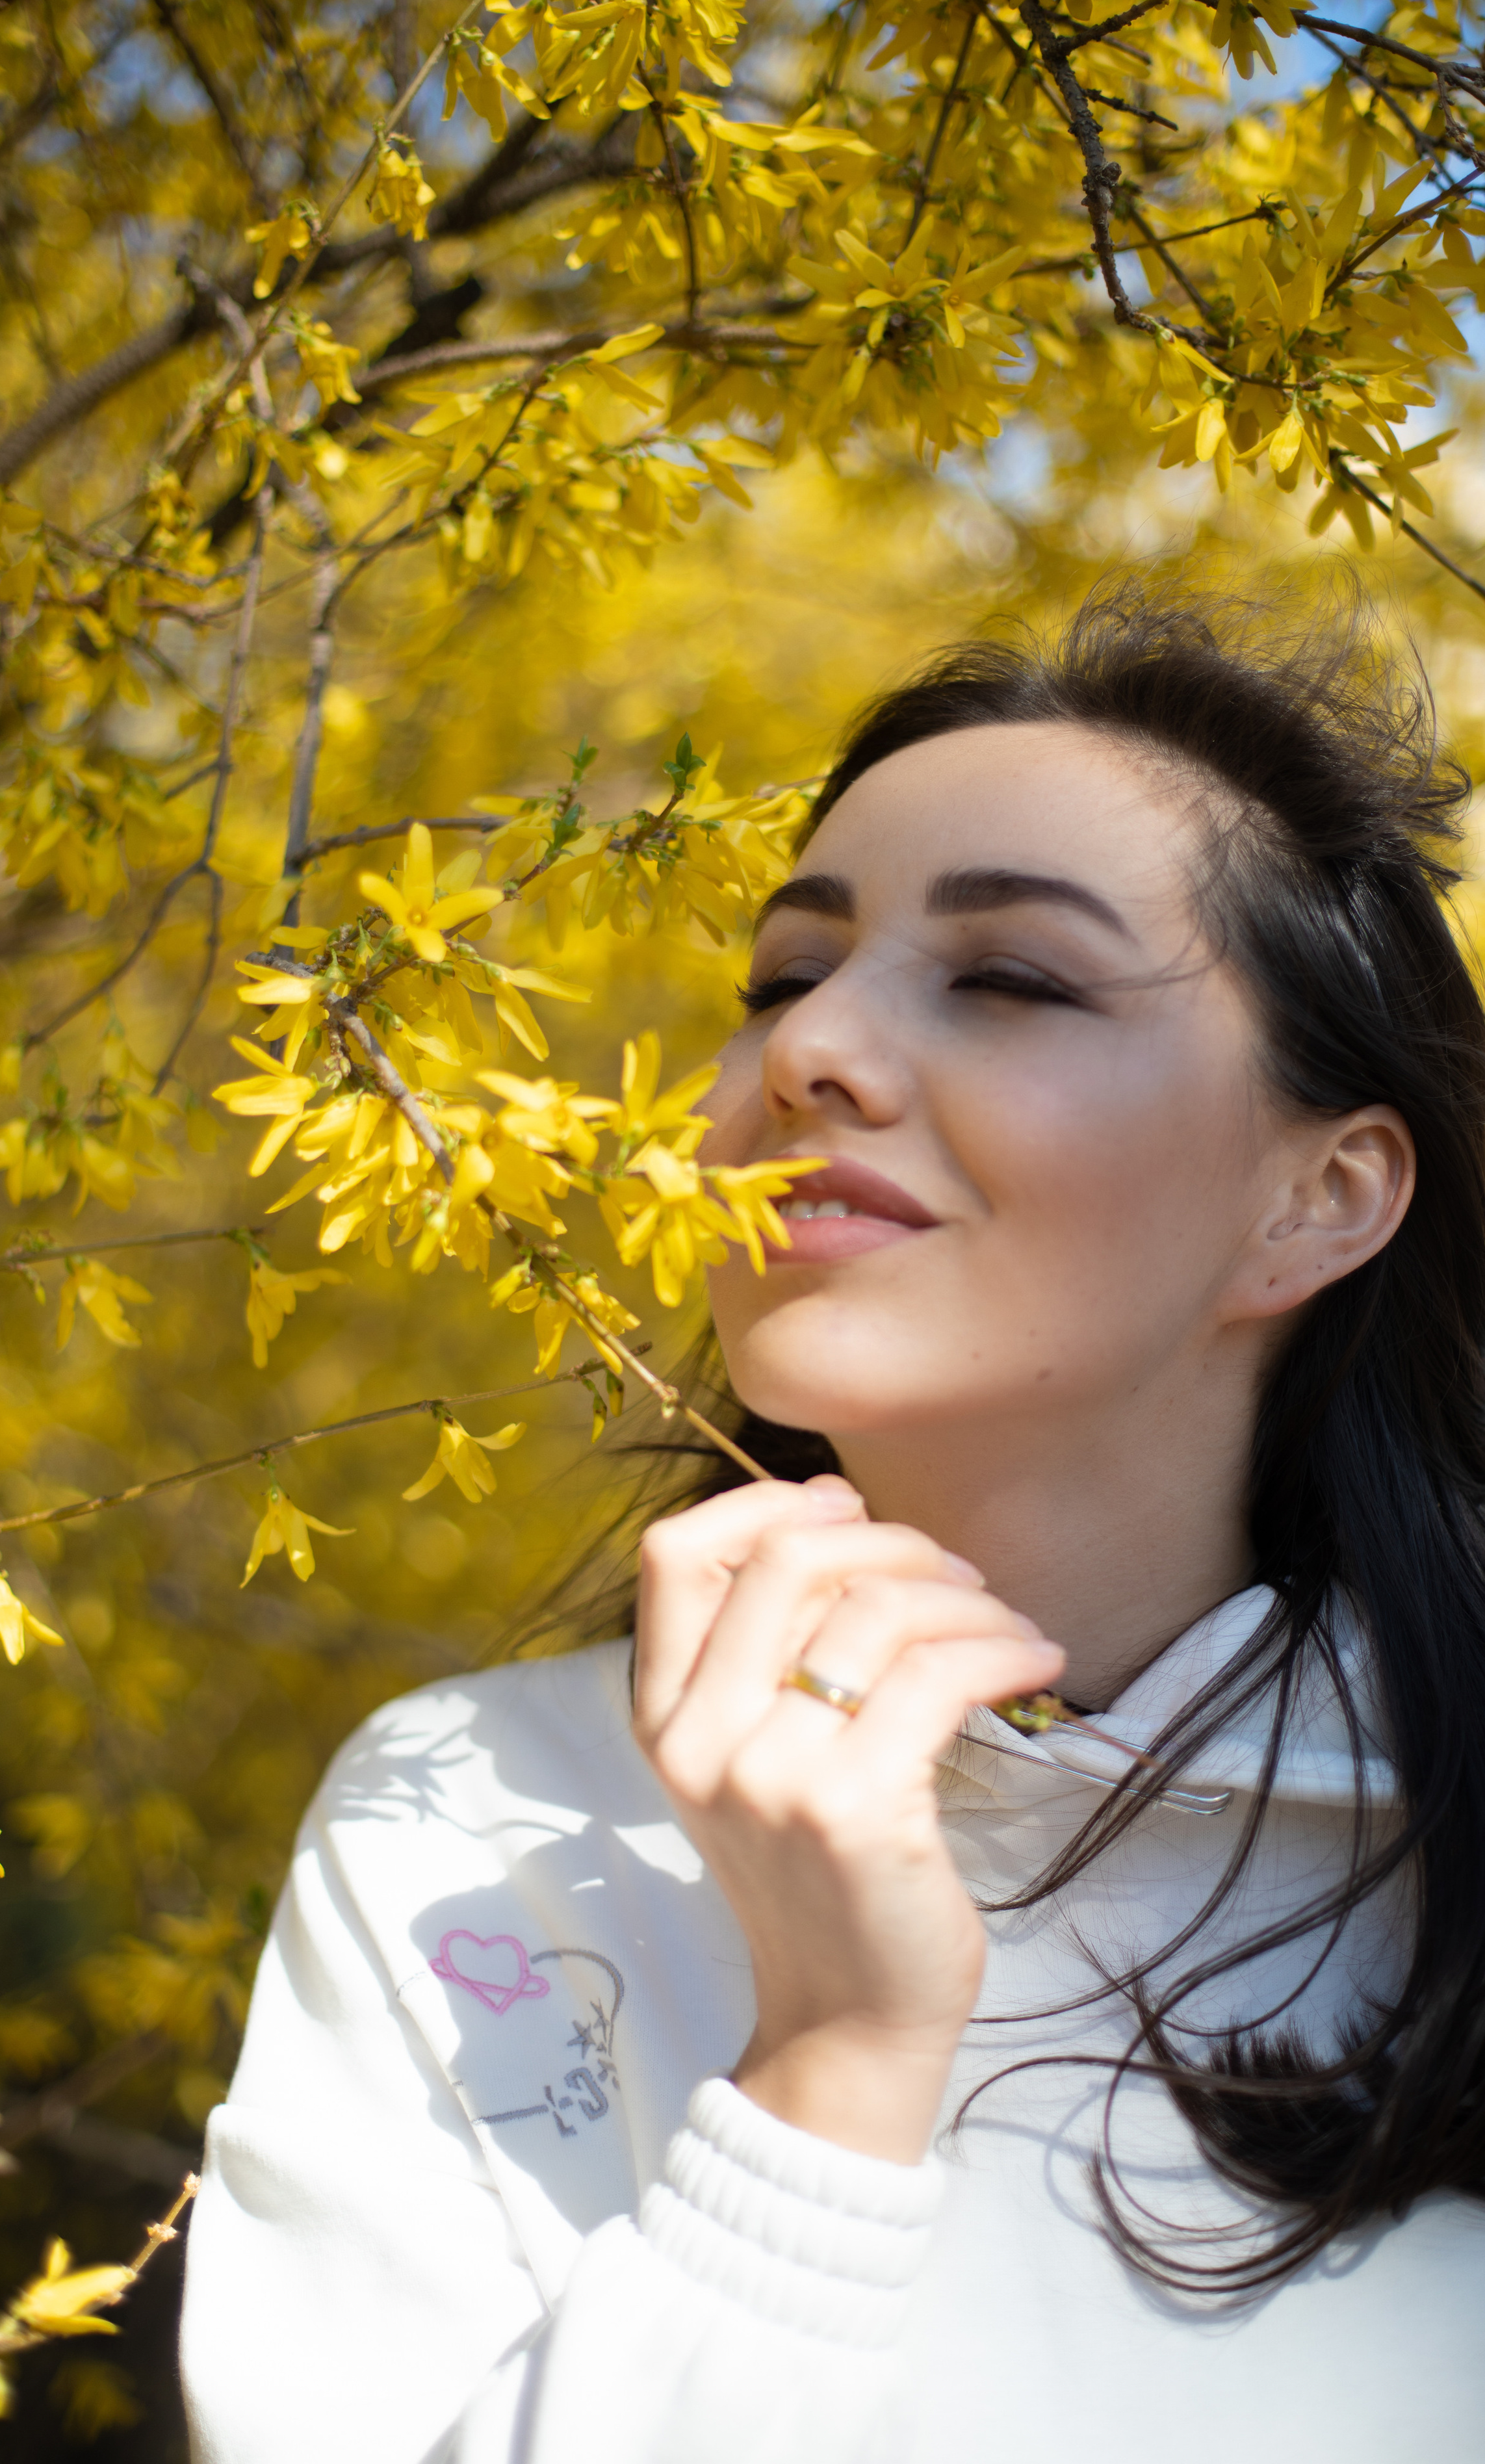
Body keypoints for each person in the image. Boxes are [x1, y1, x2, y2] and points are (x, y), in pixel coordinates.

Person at [179, 582, 1485, 2463]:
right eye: (784, 978)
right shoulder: (471, 1825)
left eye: (1013, 979)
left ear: (1322, 1198)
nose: (806, 1056)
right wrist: (823, 2077)